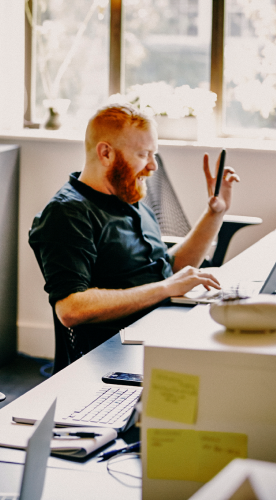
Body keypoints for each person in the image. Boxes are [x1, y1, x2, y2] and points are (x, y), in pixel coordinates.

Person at [29, 104, 239, 368]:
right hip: (117, 355)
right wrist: (166, 288)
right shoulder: (67, 214)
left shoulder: (128, 196)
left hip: (160, 328)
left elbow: (168, 269)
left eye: (154, 154)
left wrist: (215, 213)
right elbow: (71, 308)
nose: (152, 166)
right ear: (106, 153)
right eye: (143, 154)